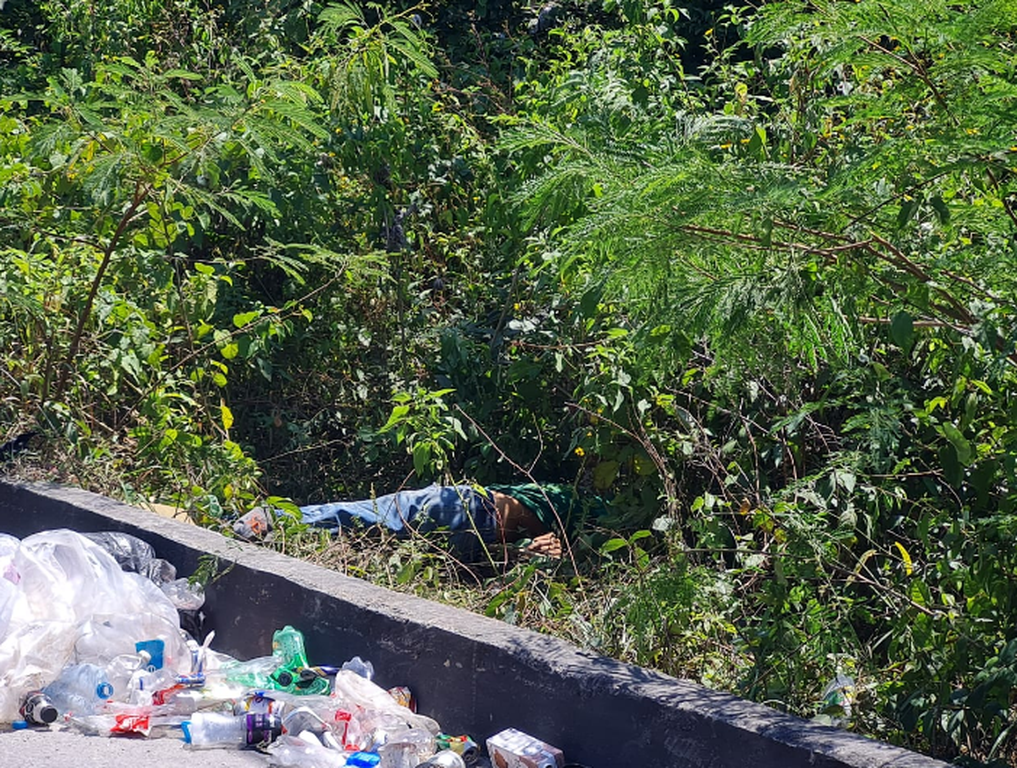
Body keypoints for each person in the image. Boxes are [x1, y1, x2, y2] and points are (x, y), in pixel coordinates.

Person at [233, 482, 606, 559]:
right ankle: (273, 520)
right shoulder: (579, 501)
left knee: (376, 518)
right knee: (376, 517)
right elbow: (520, 510)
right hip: (474, 510)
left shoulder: (585, 505)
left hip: (473, 516)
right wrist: (538, 539)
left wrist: (531, 548)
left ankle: (276, 522)